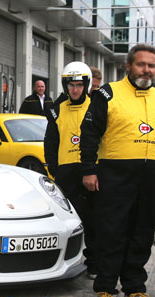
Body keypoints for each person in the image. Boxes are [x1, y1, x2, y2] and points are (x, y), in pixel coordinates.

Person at [79, 43, 155, 297]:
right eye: (141, 64)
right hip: (114, 175)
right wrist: (89, 170)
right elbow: (89, 135)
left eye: (151, 66)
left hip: (149, 178)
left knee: (142, 233)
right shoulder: (108, 94)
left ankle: (134, 289)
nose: (146, 70)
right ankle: (105, 289)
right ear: (129, 66)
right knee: (112, 232)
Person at [45, 62, 97, 279]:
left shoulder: (97, 107)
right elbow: (50, 141)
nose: (75, 89)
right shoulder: (56, 110)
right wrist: (53, 170)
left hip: (91, 171)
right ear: (65, 86)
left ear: (86, 85)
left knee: (94, 219)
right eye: (71, 85)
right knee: (67, 220)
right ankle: (66, 262)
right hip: (66, 172)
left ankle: (94, 262)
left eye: (79, 85)